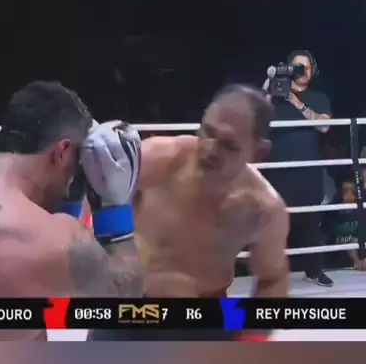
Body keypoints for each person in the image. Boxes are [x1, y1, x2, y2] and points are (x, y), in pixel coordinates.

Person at [0, 81, 143, 340]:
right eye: (77, 161)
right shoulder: (54, 237)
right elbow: (126, 299)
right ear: (62, 152)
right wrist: (114, 206)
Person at [89, 84, 290, 340]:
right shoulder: (160, 159)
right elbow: (95, 198)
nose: (210, 148)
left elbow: (272, 279)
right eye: (208, 131)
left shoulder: (264, 209)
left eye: (228, 145)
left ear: (258, 152)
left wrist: (252, 339)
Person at [262, 50, 333, 286]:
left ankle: (313, 270)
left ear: (313, 70)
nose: (303, 71)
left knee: (311, 223)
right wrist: (267, 89)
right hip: (277, 169)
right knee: (275, 224)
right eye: (297, 66)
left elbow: (324, 126)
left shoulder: (318, 97)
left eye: (307, 66)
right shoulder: (274, 95)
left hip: (308, 169)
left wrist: (295, 101)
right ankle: (271, 275)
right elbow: (256, 117)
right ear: (289, 69)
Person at [321, 179, 366, 271]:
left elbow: (356, 239)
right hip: (332, 260)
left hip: (352, 258)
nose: (349, 195)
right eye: (346, 191)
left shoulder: (362, 211)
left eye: (352, 191)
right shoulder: (330, 213)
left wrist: (359, 260)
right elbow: (323, 240)